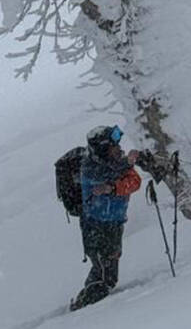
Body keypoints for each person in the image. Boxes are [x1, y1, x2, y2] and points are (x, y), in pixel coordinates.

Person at [71, 125, 144, 311]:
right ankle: (85, 310)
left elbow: (134, 181)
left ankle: (84, 304)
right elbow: (107, 174)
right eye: (113, 145)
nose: (118, 148)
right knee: (106, 275)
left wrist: (115, 187)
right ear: (103, 148)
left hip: (114, 223)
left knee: (105, 271)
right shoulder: (90, 167)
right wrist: (125, 167)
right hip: (95, 226)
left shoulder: (116, 162)